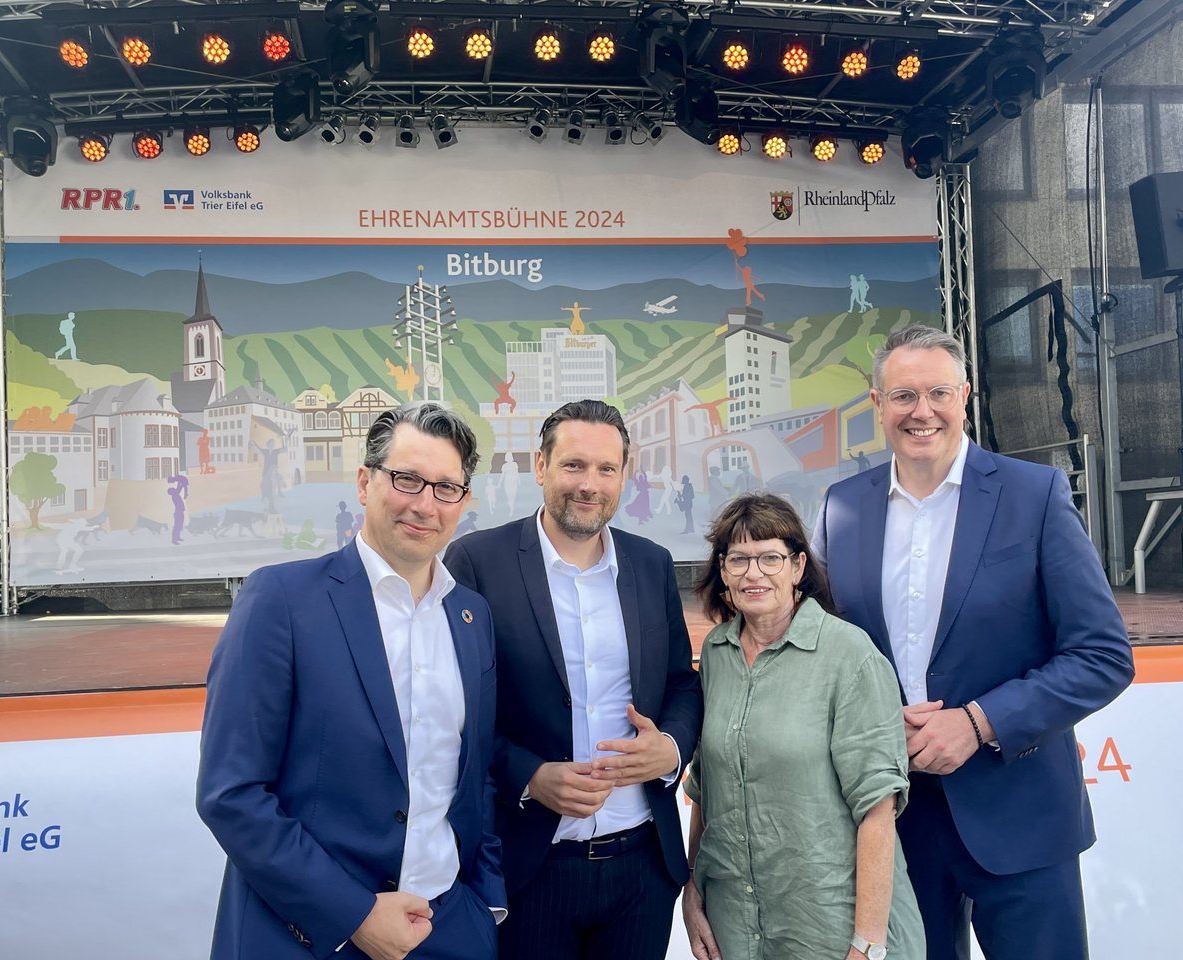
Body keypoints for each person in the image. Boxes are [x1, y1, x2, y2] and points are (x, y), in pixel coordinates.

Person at [813, 324, 1135, 960]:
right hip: (891, 822)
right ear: (877, 404)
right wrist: (874, 722)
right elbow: (821, 655)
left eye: (938, 392)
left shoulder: (1034, 495)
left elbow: (1102, 654)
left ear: (964, 396)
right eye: (903, 395)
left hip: (1022, 818)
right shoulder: (840, 508)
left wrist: (979, 721)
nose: (922, 411)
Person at [197, 402, 505, 960]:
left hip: (449, 928)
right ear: (365, 483)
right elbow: (231, 794)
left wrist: (485, 906)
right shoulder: (281, 601)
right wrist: (354, 914)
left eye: (446, 488)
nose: (424, 504)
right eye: (407, 479)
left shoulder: (472, 616)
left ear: (464, 502)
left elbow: (472, 773)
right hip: (310, 936)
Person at [445, 399, 702, 960]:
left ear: (624, 476)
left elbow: (681, 684)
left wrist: (671, 748)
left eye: (606, 469)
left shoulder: (651, 563)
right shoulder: (476, 561)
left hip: (642, 867)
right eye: (574, 465)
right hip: (530, 867)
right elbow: (454, 710)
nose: (590, 484)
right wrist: (530, 776)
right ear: (541, 466)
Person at [683, 493, 924, 960]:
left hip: (831, 927)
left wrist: (867, 945)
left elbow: (878, 808)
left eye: (770, 557)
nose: (753, 573)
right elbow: (705, 787)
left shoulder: (850, 655)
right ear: (723, 571)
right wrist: (693, 891)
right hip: (736, 928)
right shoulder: (715, 653)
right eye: (739, 559)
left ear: (797, 567)